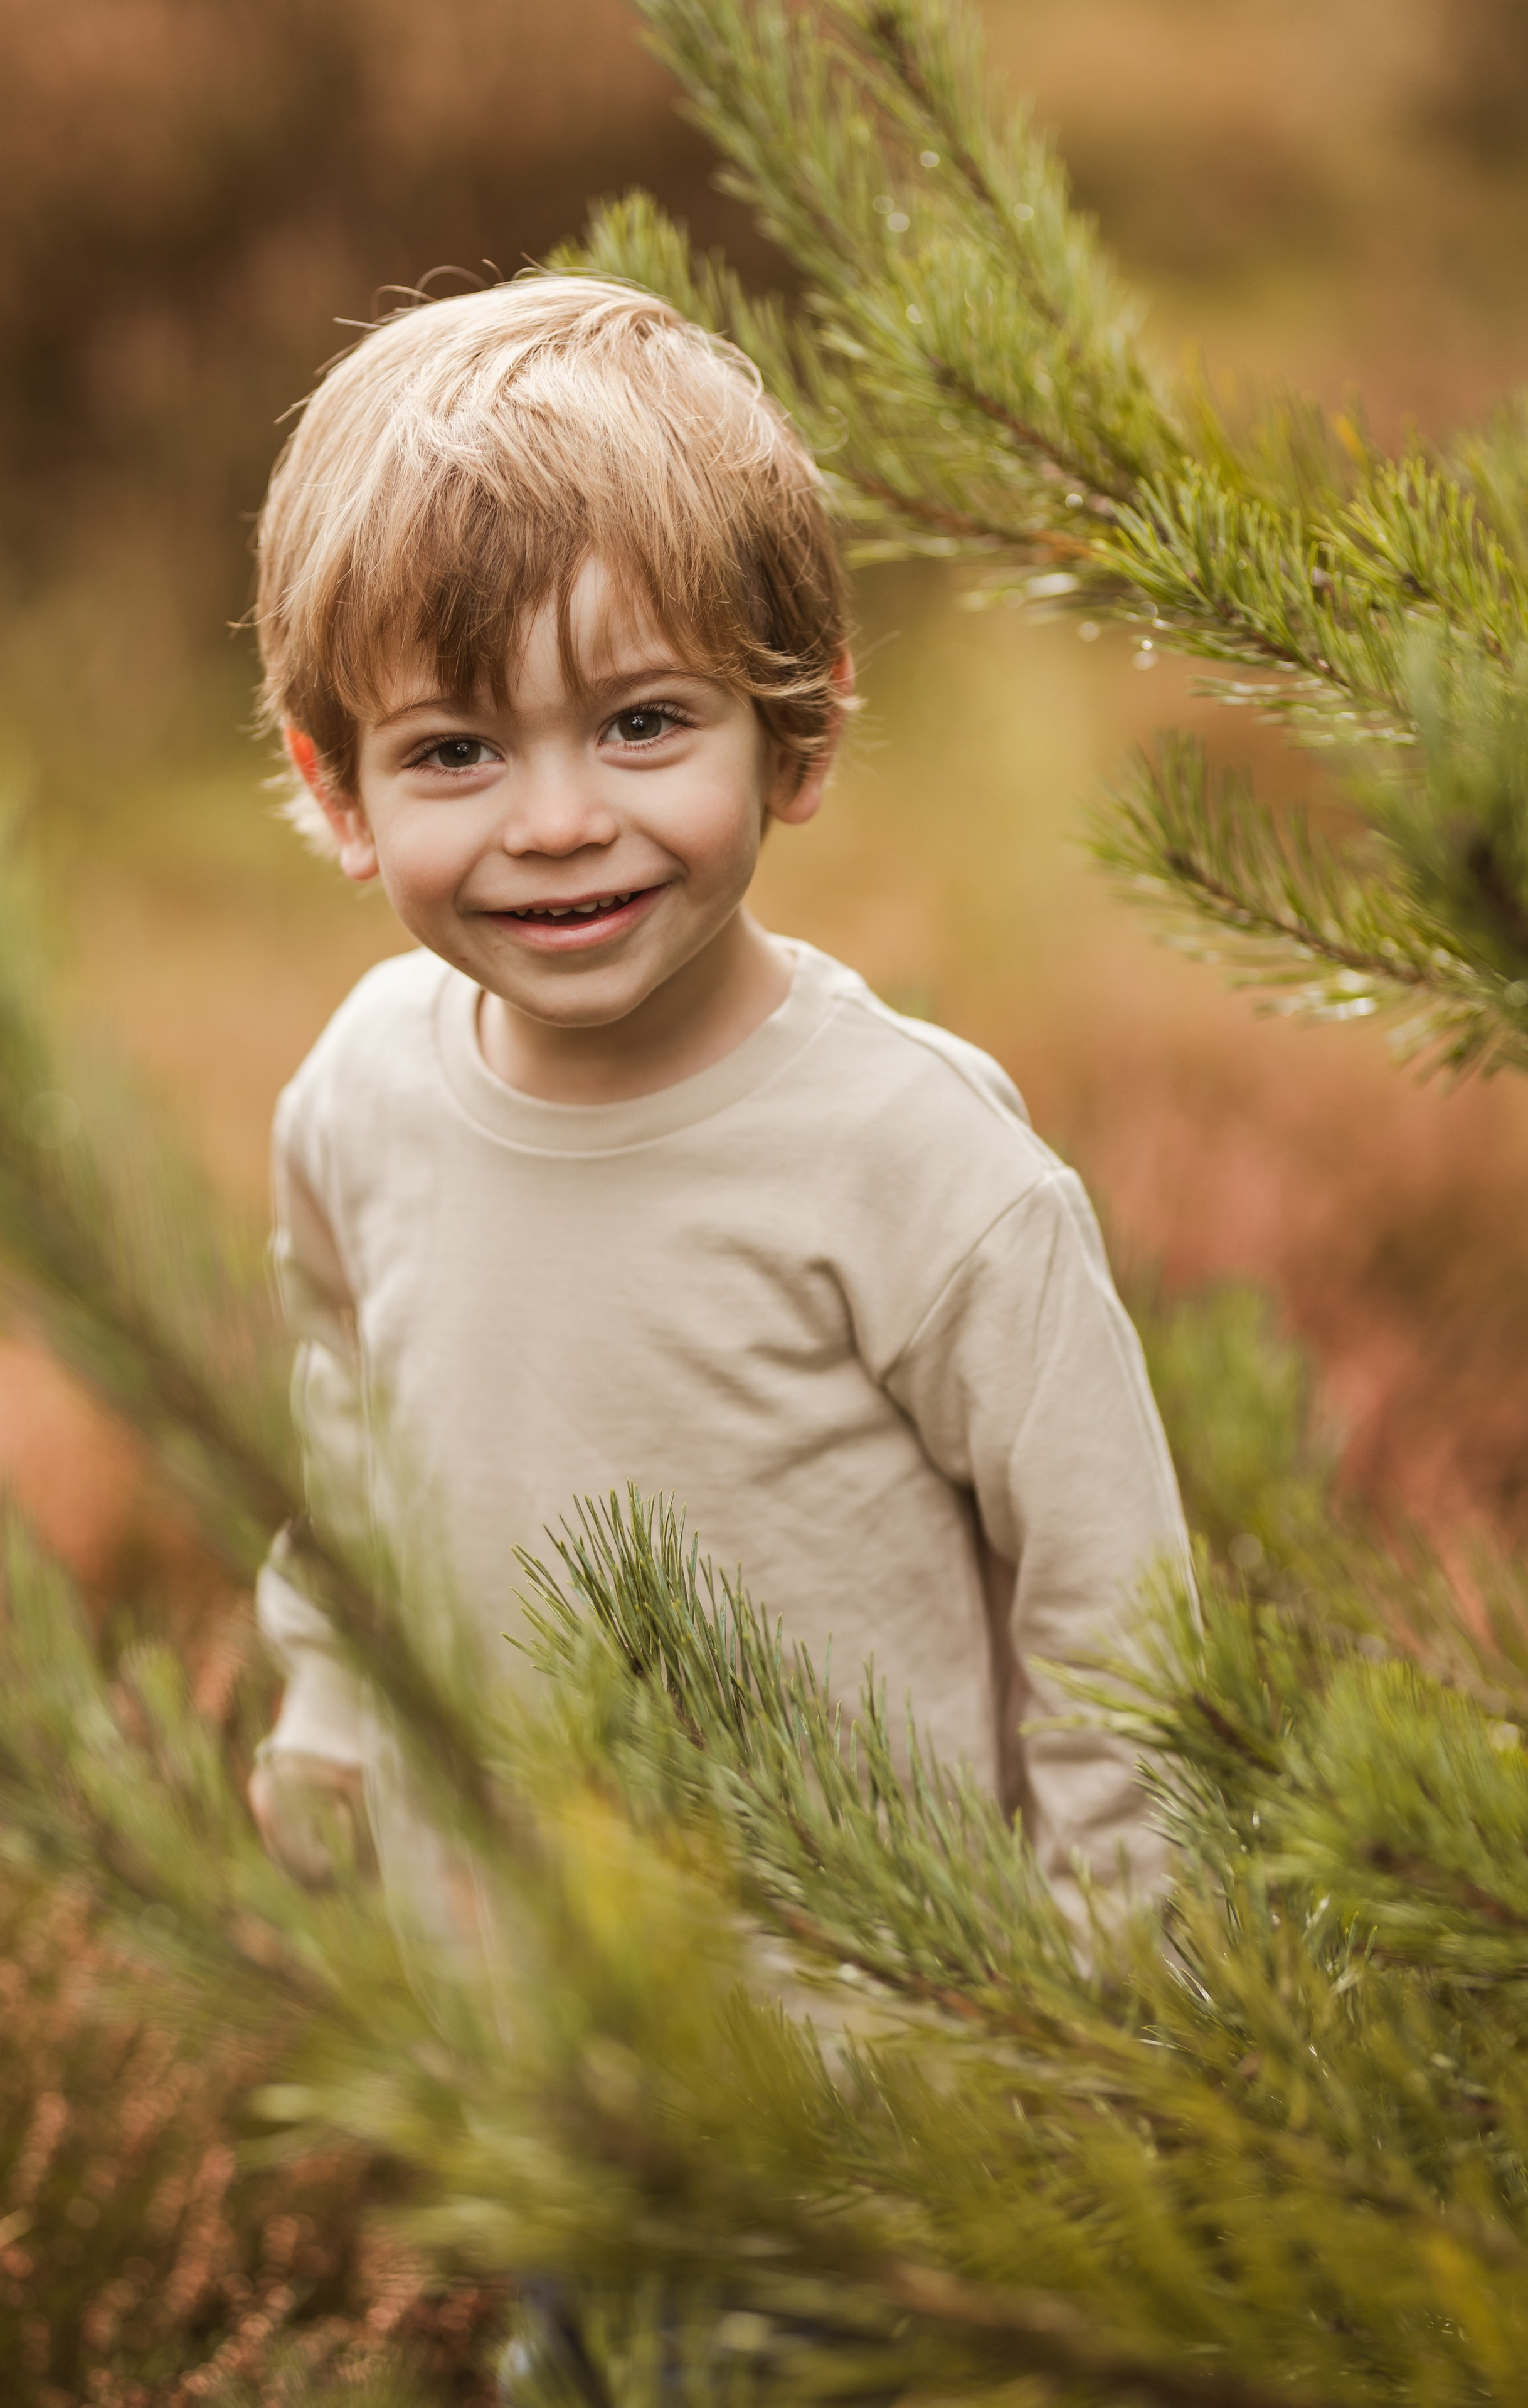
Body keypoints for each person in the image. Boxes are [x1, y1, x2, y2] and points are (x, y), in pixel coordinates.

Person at [246, 272, 1186, 1937]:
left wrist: (1131, 2027)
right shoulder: (362, 1096)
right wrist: (328, 1708)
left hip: (888, 2075)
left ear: (797, 737)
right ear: (340, 793)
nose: (554, 821)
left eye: (643, 724)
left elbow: (1120, 1620)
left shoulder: (926, 1167)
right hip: (516, 2031)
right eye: (455, 751)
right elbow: (346, 1421)